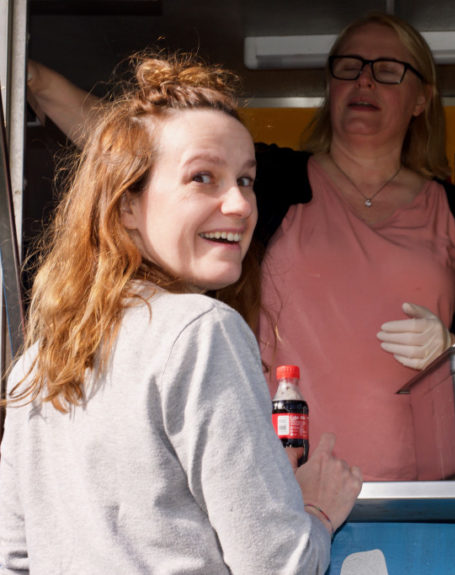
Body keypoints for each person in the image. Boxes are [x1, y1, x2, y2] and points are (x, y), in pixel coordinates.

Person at [25, 12, 455, 481]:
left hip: (423, 494)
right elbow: (138, 152)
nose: (364, 81)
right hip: (279, 487)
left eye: (387, 70)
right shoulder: (268, 181)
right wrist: (36, 81)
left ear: (421, 98)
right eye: (349, 67)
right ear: (329, 86)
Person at [0, 51, 361, 574]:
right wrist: (317, 510)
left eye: (245, 180)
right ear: (127, 204)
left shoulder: (37, 363)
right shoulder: (201, 332)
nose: (240, 205)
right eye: (202, 178)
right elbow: (277, 565)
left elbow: (14, 559)